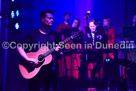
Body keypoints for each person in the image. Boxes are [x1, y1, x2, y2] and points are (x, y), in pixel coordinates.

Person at [17, 10, 61, 91]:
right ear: (42, 19)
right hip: (35, 70)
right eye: (49, 18)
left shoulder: (56, 35)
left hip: (50, 71)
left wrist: (59, 52)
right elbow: (19, 47)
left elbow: (61, 54)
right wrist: (28, 59)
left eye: (53, 18)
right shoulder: (33, 34)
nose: (52, 20)